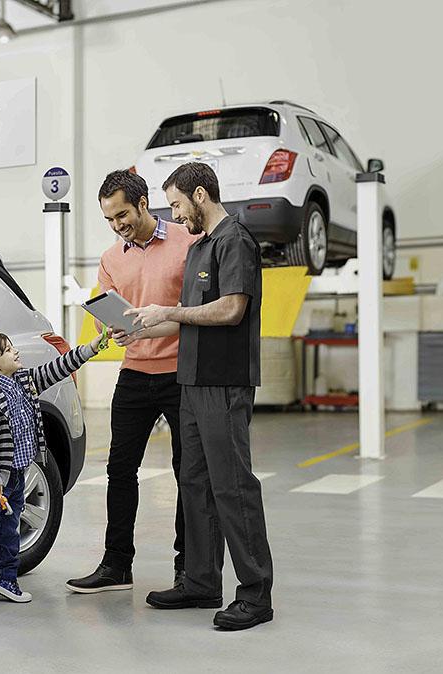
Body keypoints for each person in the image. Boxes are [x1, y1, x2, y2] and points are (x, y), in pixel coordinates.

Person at [126, 161, 275, 631]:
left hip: (223, 383)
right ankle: (201, 579)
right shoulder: (199, 249)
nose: (174, 214)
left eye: (175, 204)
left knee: (232, 486)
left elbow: (231, 310)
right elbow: (188, 316)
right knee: (194, 483)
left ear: (200, 195)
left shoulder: (236, 242)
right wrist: (143, 324)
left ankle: (255, 594)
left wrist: (169, 309)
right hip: (190, 381)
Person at [66, 170, 198, 595]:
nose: (117, 224)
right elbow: (111, 311)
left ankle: (188, 568)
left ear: (143, 203)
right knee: (120, 471)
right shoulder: (110, 259)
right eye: (109, 219)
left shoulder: (187, 242)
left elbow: (196, 311)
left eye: (122, 214)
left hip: (182, 374)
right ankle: (117, 565)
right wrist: (115, 330)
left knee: (187, 473)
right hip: (135, 372)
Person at [0, 329, 109, 611]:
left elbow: (59, 367)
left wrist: (92, 348)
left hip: (17, 473)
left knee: (9, 529)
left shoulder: (25, 382)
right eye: (8, 350)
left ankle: (4, 578)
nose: (16, 352)